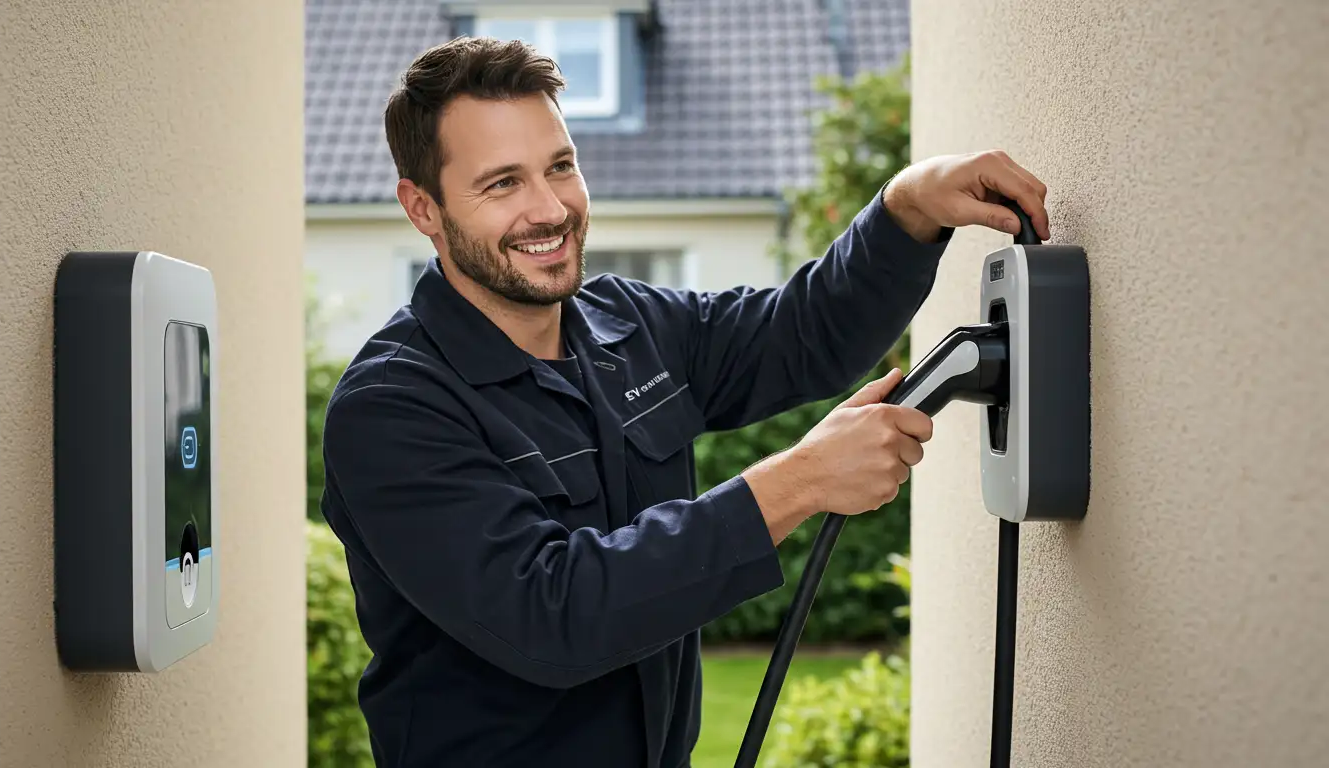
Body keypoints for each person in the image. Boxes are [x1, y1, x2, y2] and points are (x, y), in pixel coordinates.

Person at [318, 35, 1051, 768]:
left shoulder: (632, 327)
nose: (550, 209)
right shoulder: (393, 406)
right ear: (423, 208)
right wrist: (797, 482)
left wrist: (908, 207)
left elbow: (804, 335)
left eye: (560, 167)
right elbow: (550, 614)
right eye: (502, 183)